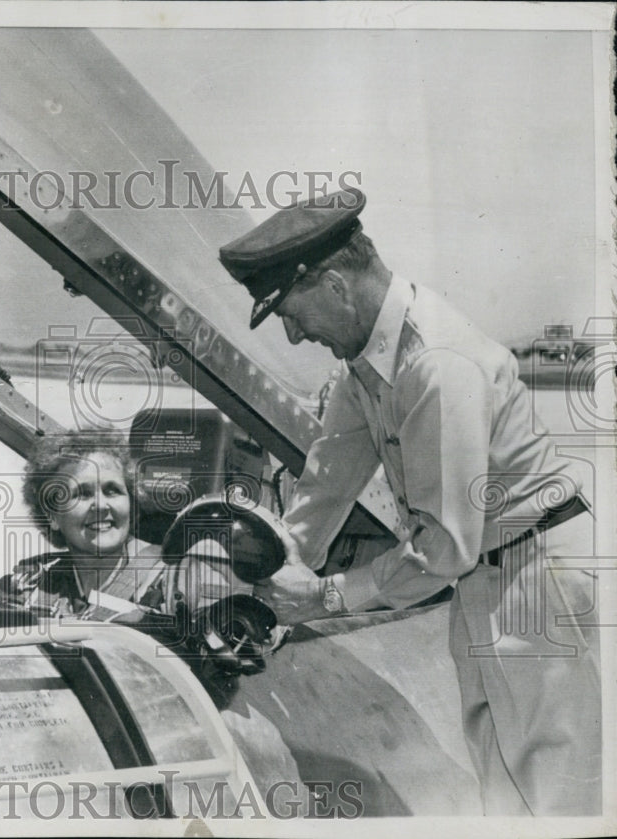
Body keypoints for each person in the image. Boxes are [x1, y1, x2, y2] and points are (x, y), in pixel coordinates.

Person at [218, 186, 601, 816]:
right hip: (486, 576)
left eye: (290, 310)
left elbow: (443, 547)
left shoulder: (436, 365)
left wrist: (321, 598)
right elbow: (328, 479)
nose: (291, 334)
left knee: (556, 792)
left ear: (337, 285)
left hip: (535, 579)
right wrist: (272, 567)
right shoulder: (367, 359)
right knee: (501, 780)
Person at [0, 429, 164, 619]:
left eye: (112, 490)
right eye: (82, 494)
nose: (100, 506)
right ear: (52, 516)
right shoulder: (28, 588)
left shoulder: (170, 582)